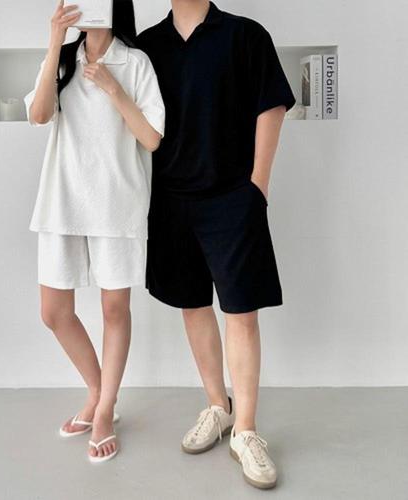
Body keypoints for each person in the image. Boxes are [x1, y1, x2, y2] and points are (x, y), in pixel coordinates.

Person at [137, 0, 296, 489]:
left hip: (233, 196)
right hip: (171, 199)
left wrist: (257, 187)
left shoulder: (245, 35)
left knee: (242, 311)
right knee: (192, 304)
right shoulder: (147, 46)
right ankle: (217, 406)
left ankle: (245, 430)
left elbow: (271, 106)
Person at [23, 0, 165, 463]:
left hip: (117, 203)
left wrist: (113, 88)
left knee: (113, 309)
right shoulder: (63, 59)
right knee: (53, 312)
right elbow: (38, 115)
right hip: (61, 200)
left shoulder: (136, 62)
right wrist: (53, 42)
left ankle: (103, 409)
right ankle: (98, 391)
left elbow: (152, 138)